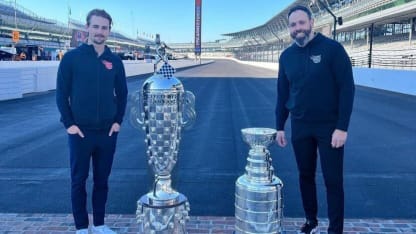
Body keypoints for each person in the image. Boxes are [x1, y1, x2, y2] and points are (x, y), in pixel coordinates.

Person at [275, 5, 355, 234]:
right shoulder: (287, 56)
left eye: (301, 23)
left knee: (333, 180)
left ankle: (335, 229)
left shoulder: (332, 49)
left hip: (329, 128)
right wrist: (280, 126)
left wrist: (342, 127)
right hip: (300, 126)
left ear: (311, 22)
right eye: (293, 25)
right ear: (289, 29)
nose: (297, 28)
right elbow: (283, 93)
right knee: (305, 176)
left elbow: (347, 89)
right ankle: (311, 220)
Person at [56, 9, 128, 234]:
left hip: (107, 133)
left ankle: (99, 224)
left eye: (104, 28)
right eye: (95, 26)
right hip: (81, 133)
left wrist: (118, 122)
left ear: (109, 31)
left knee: (102, 180)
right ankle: (81, 227)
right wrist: (69, 124)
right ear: (87, 28)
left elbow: (122, 93)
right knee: (78, 180)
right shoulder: (71, 59)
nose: (100, 31)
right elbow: (61, 93)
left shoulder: (114, 61)